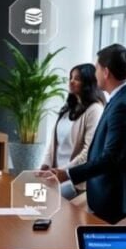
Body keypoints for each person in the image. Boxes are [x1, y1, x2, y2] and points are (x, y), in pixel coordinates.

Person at [48, 44, 126, 224]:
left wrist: (68, 174)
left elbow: (110, 159)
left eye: (96, 69)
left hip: (115, 200)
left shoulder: (124, 105)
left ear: (106, 72)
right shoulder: (122, 99)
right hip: (109, 197)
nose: (95, 74)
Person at [41, 63, 106, 199]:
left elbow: (88, 151)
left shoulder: (95, 110)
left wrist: (65, 172)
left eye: (77, 78)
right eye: (71, 77)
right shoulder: (68, 108)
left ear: (88, 82)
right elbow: (54, 143)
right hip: (56, 177)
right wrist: (45, 166)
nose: (71, 81)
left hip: (74, 182)